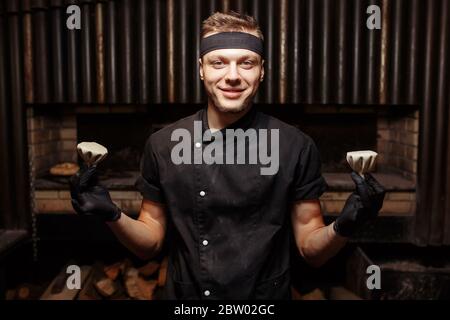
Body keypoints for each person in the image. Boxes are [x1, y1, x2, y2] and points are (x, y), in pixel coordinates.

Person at [69, 11, 385, 300]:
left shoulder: (294, 146)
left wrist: (346, 223)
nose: (232, 75)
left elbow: (310, 249)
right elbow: (150, 241)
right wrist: (111, 215)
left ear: (261, 71)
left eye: (246, 62)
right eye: (218, 62)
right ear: (201, 70)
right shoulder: (163, 144)